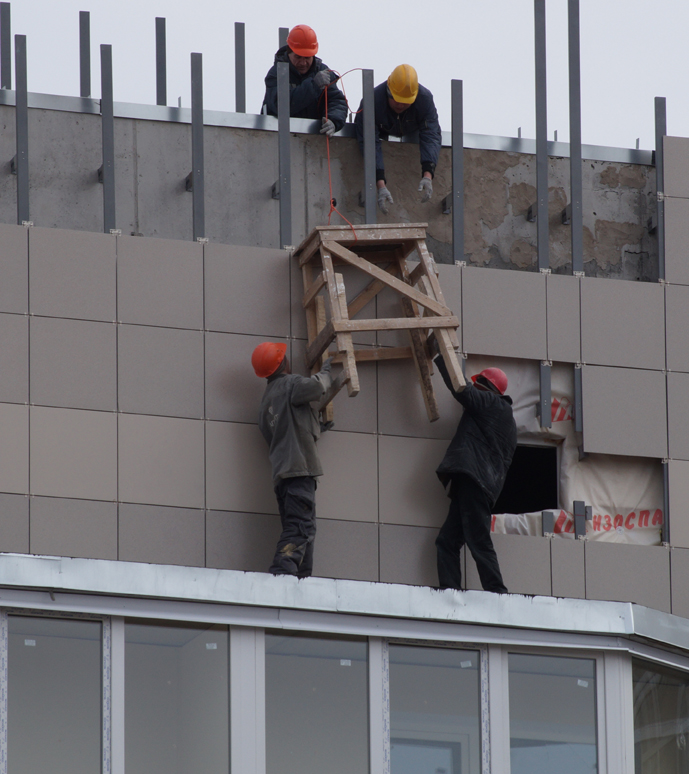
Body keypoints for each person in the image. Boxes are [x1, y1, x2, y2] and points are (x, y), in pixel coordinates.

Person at [434, 357, 517, 593]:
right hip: (476, 481)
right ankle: (450, 592)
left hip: (475, 480)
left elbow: (463, 392)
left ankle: (497, 593)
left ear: (486, 386)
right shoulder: (504, 417)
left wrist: (443, 358)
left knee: (478, 539)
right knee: (447, 542)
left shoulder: (493, 404)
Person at [252, 341, 333, 577]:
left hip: (284, 478)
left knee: (304, 530)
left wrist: (316, 427)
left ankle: (301, 580)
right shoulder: (290, 384)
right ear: (282, 363)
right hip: (298, 474)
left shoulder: (266, 401)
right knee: (300, 530)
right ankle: (282, 574)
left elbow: (287, 432)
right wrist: (326, 372)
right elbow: (316, 388)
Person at [354, 64, 442, 213]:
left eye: (406, 101)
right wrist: (380, 185)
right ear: (389, 91)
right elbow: (369, 143)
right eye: (397, 99)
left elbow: (431, 135)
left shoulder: (424, 99)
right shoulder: (372, 100)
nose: (401, 104)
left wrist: (428, 174)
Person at [262, 24, 347, 138]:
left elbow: (336, 101)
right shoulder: (276, 73)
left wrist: (334, 120)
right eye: (298, 57)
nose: (303, 63)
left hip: (312, 141)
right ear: (289, 53)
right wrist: (314, 85)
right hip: (277, 139)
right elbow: (281, 105)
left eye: (307, 58)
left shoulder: (322, 72)